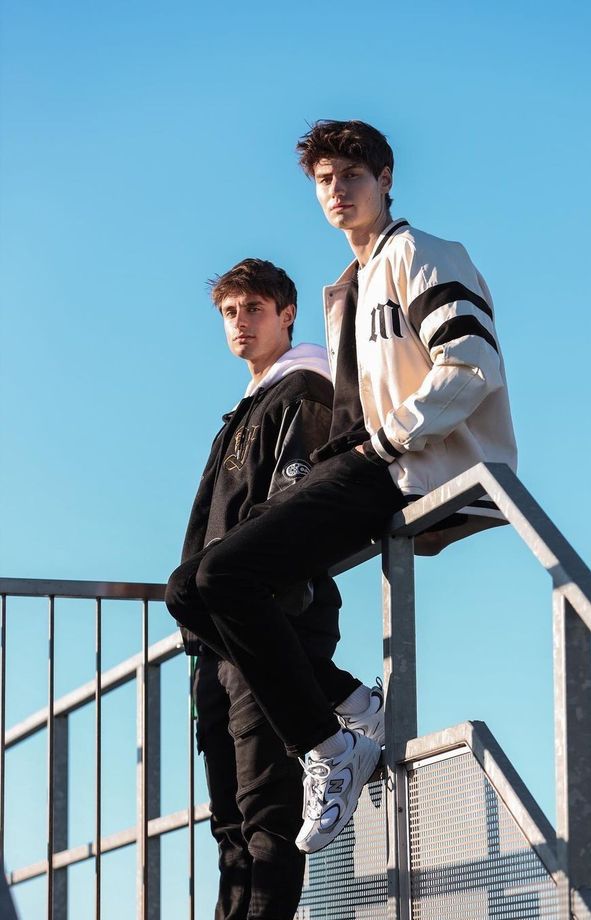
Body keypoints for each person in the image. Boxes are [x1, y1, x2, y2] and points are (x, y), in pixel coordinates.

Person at [167, 120, 516, 859]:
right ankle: (357, 707)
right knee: (191, 590)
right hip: (365, 463)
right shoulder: (348, 286)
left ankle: (331, 745)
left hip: (403, 463)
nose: (338, 189)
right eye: (324, 179)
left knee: (226, 574)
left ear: (386, 179)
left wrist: (391, 438)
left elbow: (473, 363)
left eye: (352, 175)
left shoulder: (424, 254)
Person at [167, 258, 383, 919]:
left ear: (287, 313)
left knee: (268, 821)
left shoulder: (305, 390)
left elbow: (290, 516)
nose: (241, 322)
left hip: (277, 620)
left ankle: (342, 707)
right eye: (230, 312)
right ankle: (345, 696)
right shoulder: (244, 409)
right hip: (219, 642)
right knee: (230, 825)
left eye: (253, 308)